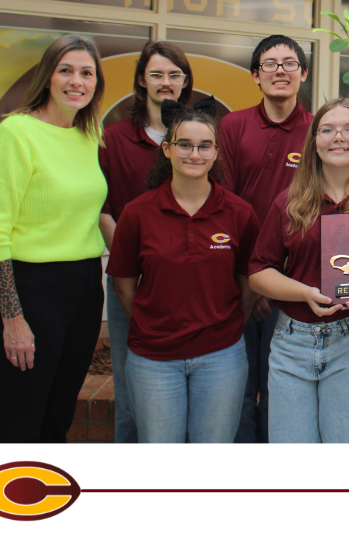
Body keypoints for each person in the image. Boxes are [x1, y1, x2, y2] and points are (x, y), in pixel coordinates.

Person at [0, 34, 108, 443]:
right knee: (19, 421)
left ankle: (47, 499)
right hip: (30, 289)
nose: (76, 81)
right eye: (65, 70)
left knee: (57, 416)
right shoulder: (14, 135)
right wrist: (13, 319)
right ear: (46, 76)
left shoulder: (88, 134)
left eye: (87, 72)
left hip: (84, 287)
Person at [106, 101, 260, 443]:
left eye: (205, 146)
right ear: (167, 149)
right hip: (153, 359)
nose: (195, 154)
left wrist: (231, 320)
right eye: (185, 145)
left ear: (217, 152)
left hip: (221, 355)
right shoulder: (137, 213)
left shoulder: (239, 213)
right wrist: (152, 325)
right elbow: (124, 285)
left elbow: (248, 283)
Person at [248, 98, 349, 443]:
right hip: (293, 342)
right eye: (327, 129)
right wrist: (304, 292)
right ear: (314, 141)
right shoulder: (290, 201)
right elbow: (259, 271)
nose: (338, 137)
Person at [218, 35, 313, 443]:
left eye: (289, 63)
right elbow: (226, 204)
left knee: (281, 387)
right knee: (236, 386)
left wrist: (272, 283)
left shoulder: (317, 131)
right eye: (270, 64)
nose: (280, 71)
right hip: (235, 279)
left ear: (303, 74)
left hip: (292, 282)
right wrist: (250, 283)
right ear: (256, 76)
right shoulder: (233, 125)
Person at [98, 40, 193, 444]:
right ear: (142, 80)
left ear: (185, 82)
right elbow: (104, 209)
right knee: (133, 397)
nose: (166, 82)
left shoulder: (198, 139)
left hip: (192, 284)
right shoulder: (115, 138)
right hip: (131, 282)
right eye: (157, 74)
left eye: (174, 75)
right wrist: (131, 266)